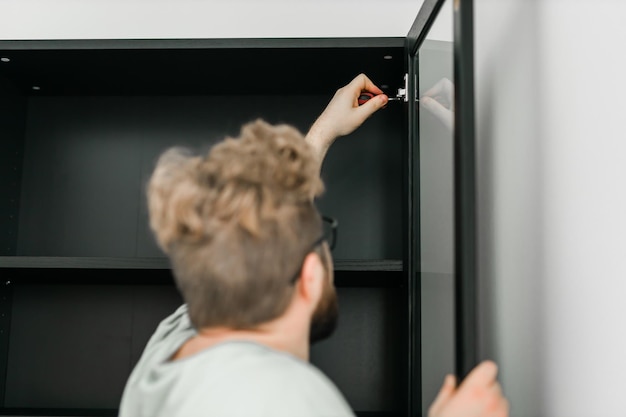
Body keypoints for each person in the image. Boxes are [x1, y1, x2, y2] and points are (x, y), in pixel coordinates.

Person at [118, 73, 509, 417]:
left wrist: (324, 130)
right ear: (310, 275)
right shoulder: (289, 399)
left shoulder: (170, 345)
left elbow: (263, 222)